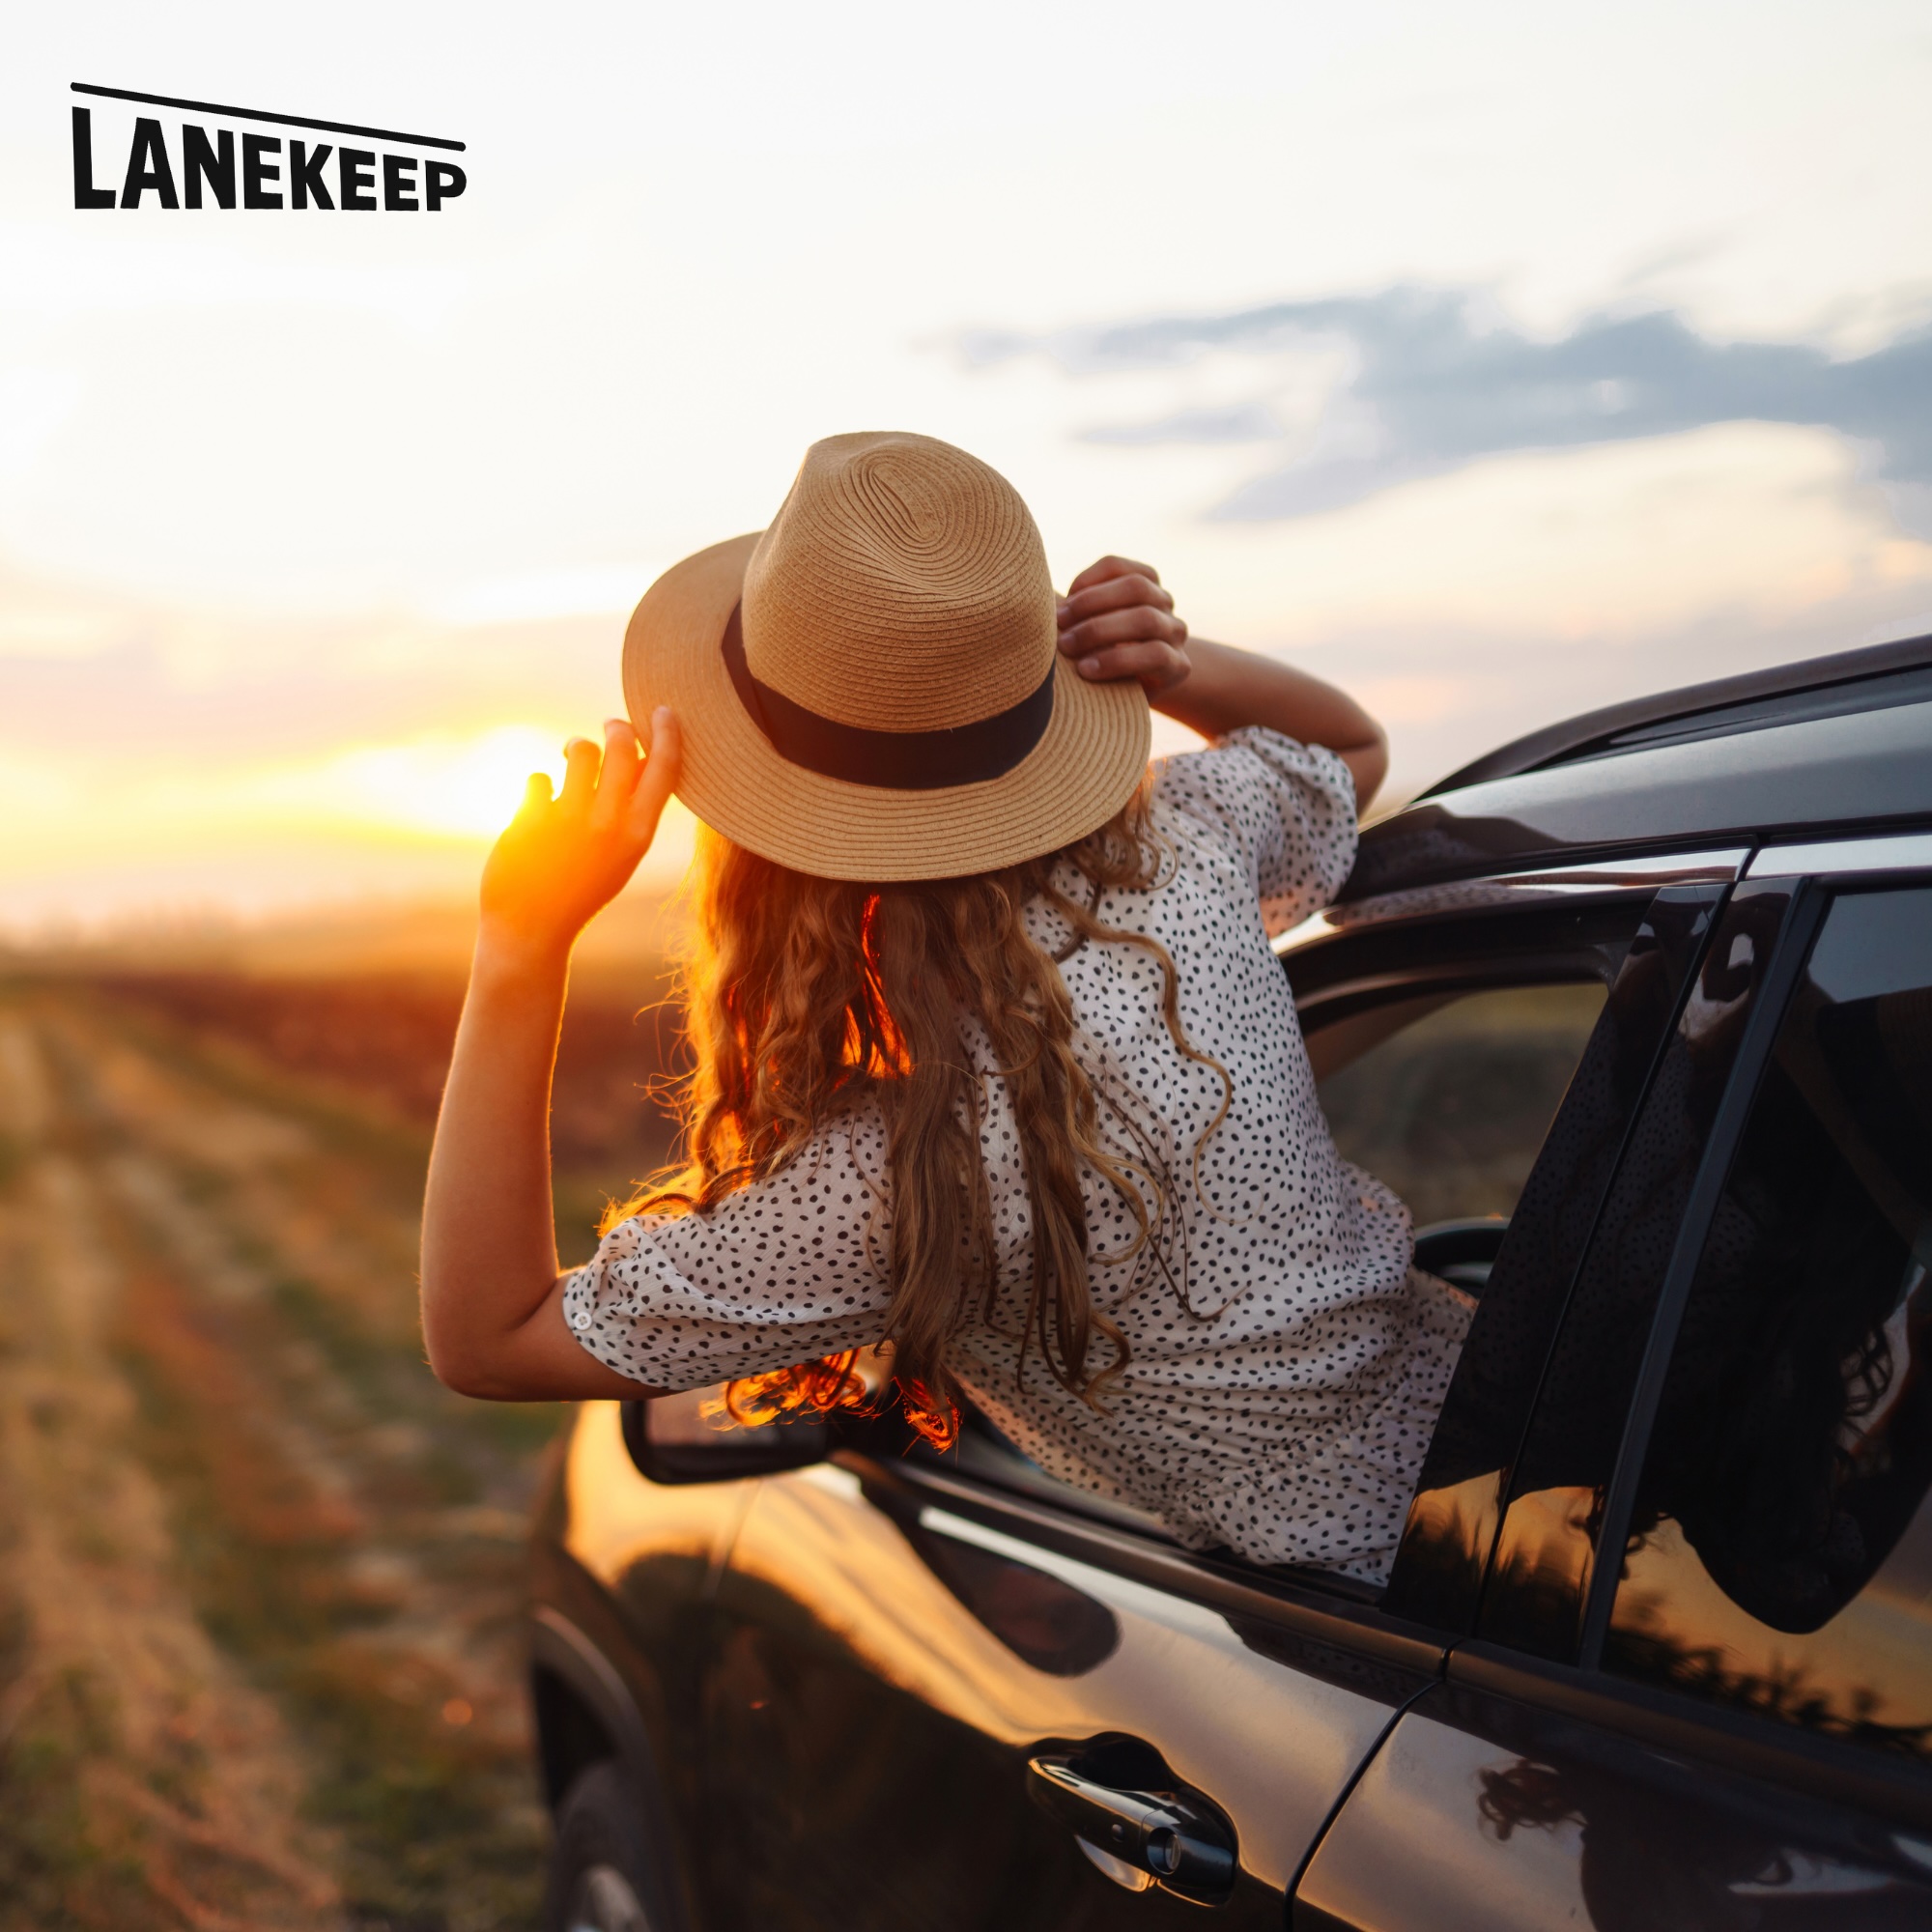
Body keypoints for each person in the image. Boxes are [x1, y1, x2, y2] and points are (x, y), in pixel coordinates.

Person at [419, 431, 1471, 1582]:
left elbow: (489, 1339)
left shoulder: (905, 1175)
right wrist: (1167, 660)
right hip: (1514, 1432)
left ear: (763, 829)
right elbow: (1346, 749)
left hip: (1395, 1591)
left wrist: (522, 943)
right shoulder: (1180, 858)